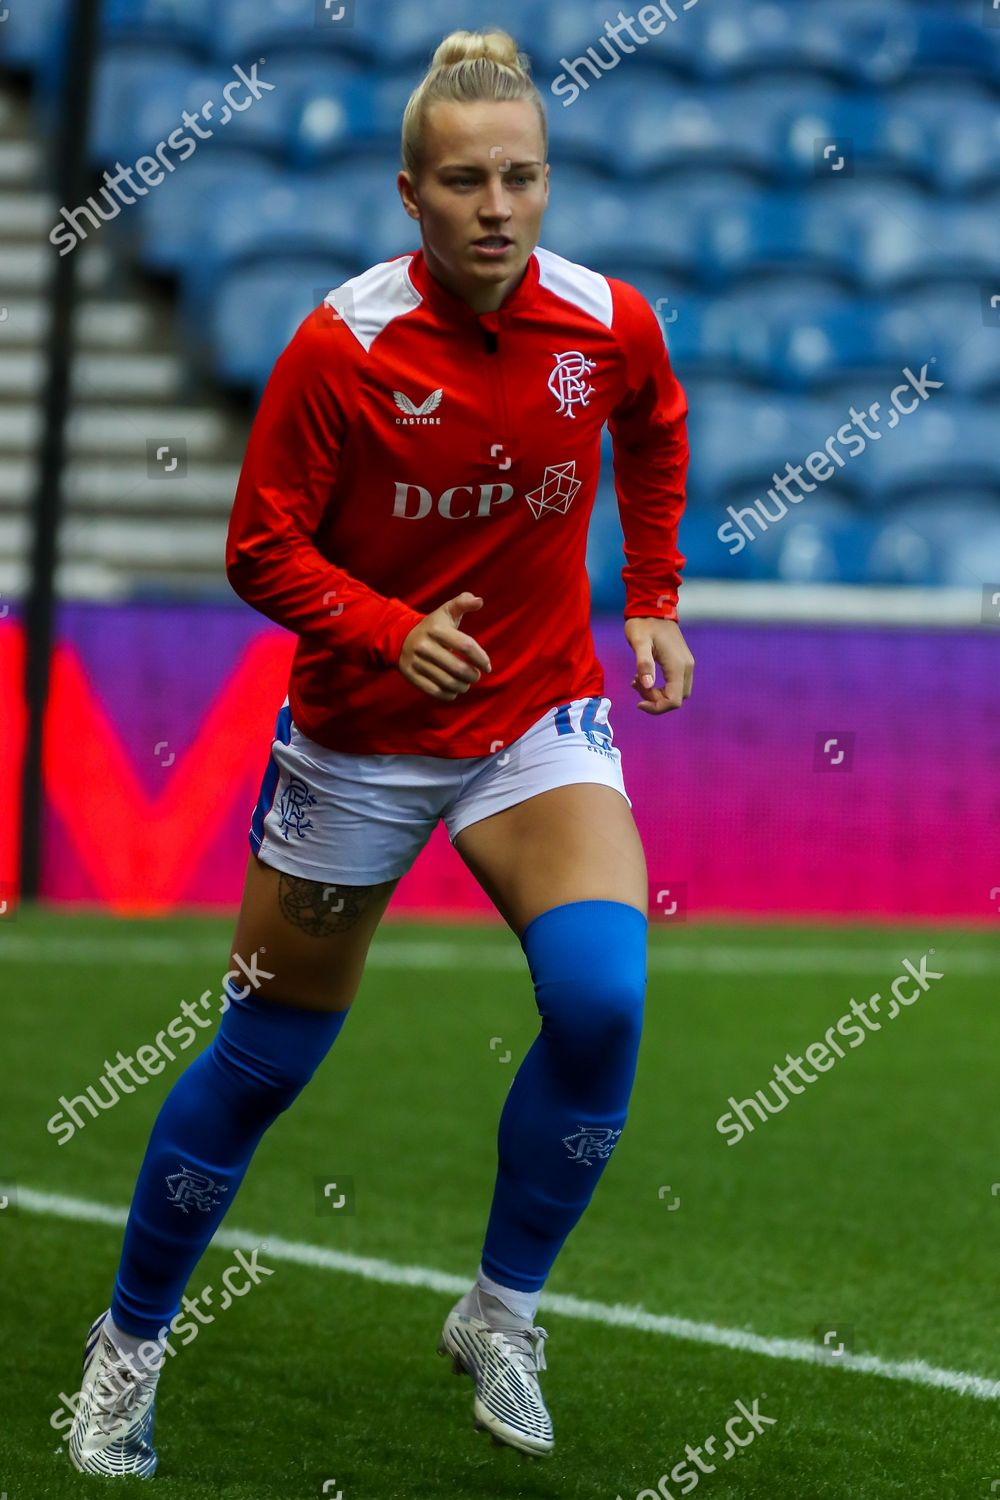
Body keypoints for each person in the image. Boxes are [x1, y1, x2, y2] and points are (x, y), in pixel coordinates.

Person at [66, 25, 693, 1476]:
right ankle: (132, 1339)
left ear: (548, 186)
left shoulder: (609, 322)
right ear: (408, 193)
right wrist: (383, 625)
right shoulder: (339, 347)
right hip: (360, 741)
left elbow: (654, 430)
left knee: (602, 1002)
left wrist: (651, 592)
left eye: (522, 178)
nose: (497, 205)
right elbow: (257, 546)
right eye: (465, 180)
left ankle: (501, 1314)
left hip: (537, 719)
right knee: (268, 1056)